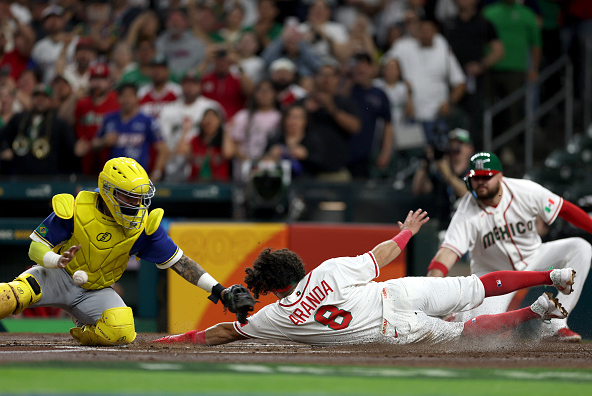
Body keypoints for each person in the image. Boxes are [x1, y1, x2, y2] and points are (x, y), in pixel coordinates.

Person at [153, 208, 575, 346]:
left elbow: (222, 332)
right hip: (398, 290)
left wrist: (172, 340)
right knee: (474, 287)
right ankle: (548, 275)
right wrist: (408, 230)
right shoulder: (330, 270)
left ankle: (531, 313)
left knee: (465, 332)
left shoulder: (273, 319)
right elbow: (382, 253)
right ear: (298, 269)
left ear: (273, 285)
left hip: (393, 330)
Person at [0, 157, 255, 346]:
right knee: (10, 297)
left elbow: (180, 262)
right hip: (58, 275)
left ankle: (83, 332)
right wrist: (56, 259)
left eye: (141, 198)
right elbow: (35, 247)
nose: (138, 204)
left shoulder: (143, 227)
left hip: (96, 290)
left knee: (121, 330)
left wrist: (220, 290)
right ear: (109, 192)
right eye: (130, 197)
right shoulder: (76, 208)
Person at [427, 152, 592, 342]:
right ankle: (457, 318)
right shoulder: (466, 211)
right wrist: (430, 289)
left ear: (499, 176)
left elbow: (565, 209)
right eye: (475, 178)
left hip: (535, 256)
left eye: (486, 177)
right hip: (494, 277)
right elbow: (447, 253)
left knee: (581, 247)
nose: (480, 182)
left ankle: (556, 323)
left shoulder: (525, 190)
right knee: (481, 338)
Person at [92, 82, 167, 182]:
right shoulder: (109, 119)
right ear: (118, 98)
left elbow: (162, 149)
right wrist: (104, 141)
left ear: (137, 98)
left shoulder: (147, 120)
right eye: (123, 96)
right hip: (113, 176)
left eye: (130, 96)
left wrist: (156, 174)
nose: (126, 100)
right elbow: (94, 144)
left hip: (138, 176)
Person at [0, 83, 78, 176]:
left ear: (50, 101)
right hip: (20, 175)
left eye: (44, 97)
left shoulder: (59, 124)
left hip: (48, 177)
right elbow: (3, 136)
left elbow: (69, 150)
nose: (40, 100)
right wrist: (5, 149)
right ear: (32, 99)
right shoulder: (19, 119)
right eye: (37, 96)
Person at [411, 128, 474, 229]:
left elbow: (466, 193)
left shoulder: (473, 172)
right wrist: (425, 163)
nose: (454, 147)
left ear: (469, 149)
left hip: (464, 226)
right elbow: (418, 189)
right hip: (441, 225)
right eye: (451, 144)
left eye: (459, 144)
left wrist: (447, 174)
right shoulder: (439, 171)